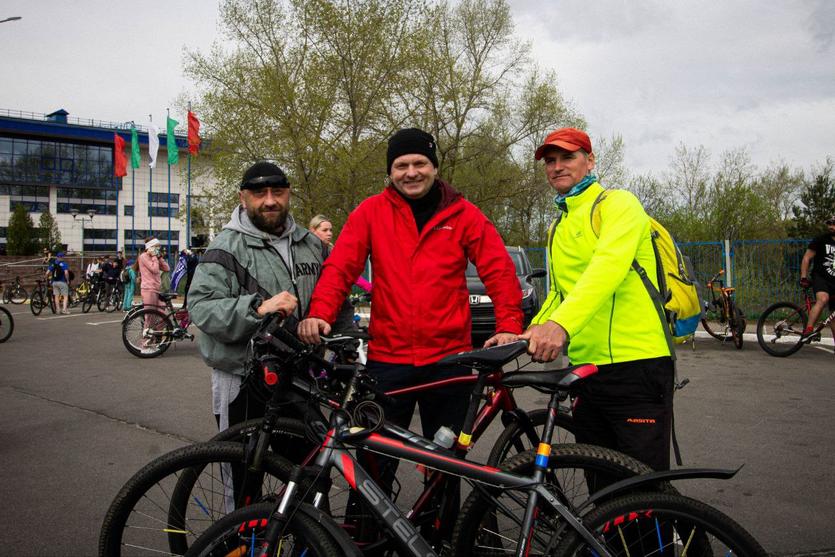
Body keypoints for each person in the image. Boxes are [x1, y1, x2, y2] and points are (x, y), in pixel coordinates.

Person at [298, 127, 522, 477]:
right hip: (389, 361)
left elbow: (500, 272)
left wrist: (509, 326)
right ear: (390, 171)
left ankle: (441, 530)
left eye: (420, 163)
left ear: (435, 167)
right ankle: (369, 532)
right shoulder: (370, 212)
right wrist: (320, 314)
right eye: (401, 165)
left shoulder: (464, 215)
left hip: (450, 362)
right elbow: (340, 267)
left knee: (446, 467)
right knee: (373, 462)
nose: (411, 172)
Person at [521, 127, 674, 472]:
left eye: (568, 157)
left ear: (590, 161)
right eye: (550, 161)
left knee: (640, 488)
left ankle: (670, 527)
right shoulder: (559, 225)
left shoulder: (618, 203)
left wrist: (560, 325)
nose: (557, 166)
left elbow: (608, 268)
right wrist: (529, 330)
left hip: (636, 364)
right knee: (601, 485)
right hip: (586, 371)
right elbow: (561, 293)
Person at [188, 161, 352, 432]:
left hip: (301, 375)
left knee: (309, 470)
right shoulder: (225, 247)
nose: (269, 201)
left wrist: (346, 345)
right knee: (241, 468)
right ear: (242, 198)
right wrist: (259, 309)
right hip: (241, 377)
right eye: (259, 193)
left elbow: (337, 299)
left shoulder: (311, 245)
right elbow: (202, 307)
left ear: (289, 193)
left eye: (277, 192)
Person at [309, 214, 372, 293]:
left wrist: (370, 288)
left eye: (330, 230)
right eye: (325, 230)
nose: (329, 233)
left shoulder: (332, 251)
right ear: (313, 231)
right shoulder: (304, 251)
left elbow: (348, 271)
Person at [799, 215, 835, 342]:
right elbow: (806, 258)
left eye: (834, 224)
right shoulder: (821, 240)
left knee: (833, 315)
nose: (831, 226)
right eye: (829, 223)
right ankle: (808, 330)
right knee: (823, 299)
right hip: (821, 277)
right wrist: (803, 277)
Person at [138, 238, 170, 314]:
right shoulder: (143, 256)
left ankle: (155, 326)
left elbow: (167, 268)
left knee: (164, 314)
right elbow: (155, 269)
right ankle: (148, 326)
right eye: (156, 246)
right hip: (148, 288)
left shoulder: (155, 257)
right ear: (150, 247)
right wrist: (154, 257)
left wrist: (159, 257)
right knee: (150, 315)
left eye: (159, 247)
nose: (158, 249)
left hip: (156, 289)